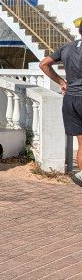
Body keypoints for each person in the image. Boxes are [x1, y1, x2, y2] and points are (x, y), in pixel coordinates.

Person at [39, 17, 82, 172]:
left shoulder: (66, 48)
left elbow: (43, 64)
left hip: (71, 100)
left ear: (79, 31)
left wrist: (62, 83)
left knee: (81, 144)